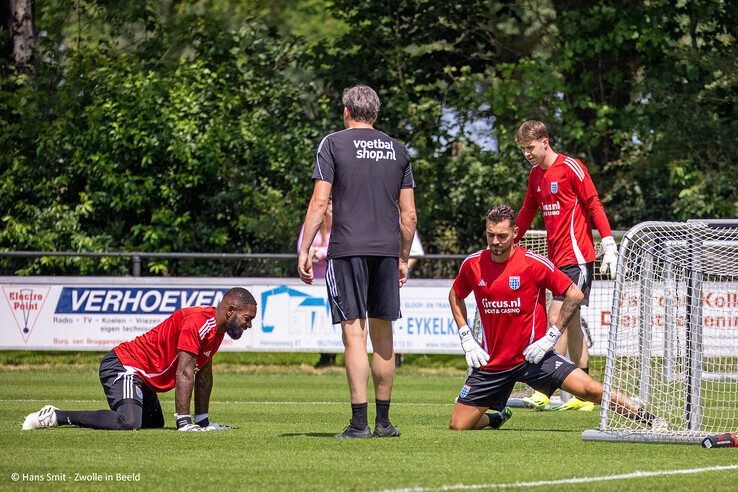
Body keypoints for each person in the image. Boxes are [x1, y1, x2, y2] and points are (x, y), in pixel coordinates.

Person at [448, 205, 665, 432]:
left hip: (534, 357)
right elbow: (455, 295)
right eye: (490, 235)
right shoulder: (473, 264)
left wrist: (551, 337)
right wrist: (466, 337)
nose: (495, 241)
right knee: (458, 425)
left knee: (590, 390)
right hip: (493, 362)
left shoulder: (533, 263)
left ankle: (651, 419)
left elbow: (575, 293)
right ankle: (497, 418)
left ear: (515, 232)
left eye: (502, 236)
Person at [298, 84, 417, 438]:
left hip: (347, 248)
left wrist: (305, 248)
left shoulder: (332, 144)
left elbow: (320, 203)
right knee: (384, 337)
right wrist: (403, 256)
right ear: (376, 114)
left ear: (346, 111)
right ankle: (384, 423)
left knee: (354, 335)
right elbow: (408, 215)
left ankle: (359, 423)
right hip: (385, 249)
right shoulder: (398, 150)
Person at [22, 287, 257, 431]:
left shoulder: (216, 331)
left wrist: (203, 420)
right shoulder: (198, 321)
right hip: (124, 366)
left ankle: (193, 419)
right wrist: (184, 422)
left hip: (144, 378)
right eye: (247, 318)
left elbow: (203, 373)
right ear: (230, 311)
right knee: (128, 421)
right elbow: (185, 372)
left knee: (152, 424)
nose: (249, 325)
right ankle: (56, 415)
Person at [514, 120, 618, 412]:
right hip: (555, 261)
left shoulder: (571, 167)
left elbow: (594, 203)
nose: (527, 154)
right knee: (571, 325)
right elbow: (526, 212)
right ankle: (584, 394)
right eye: (523, 150)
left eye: (530, 147)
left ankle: (543, 388)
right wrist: (510, 241)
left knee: (555, 315)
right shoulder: (535, 176)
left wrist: (608, 242)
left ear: (545, 141)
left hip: (579, 258)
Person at [298, 198, 338, 368]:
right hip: (316, 281)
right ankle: (324, 356)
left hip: (336, 280)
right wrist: (313, 252)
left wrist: (319, 253)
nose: (330, 209)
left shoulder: (341, 226)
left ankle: (334, 355)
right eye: (328, 205)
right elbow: (302, 248)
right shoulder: (311, 226)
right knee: (322, 320)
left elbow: (340, 248)